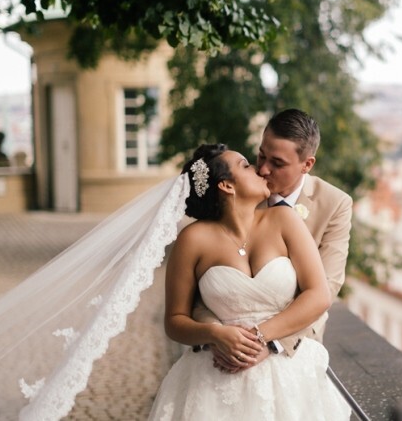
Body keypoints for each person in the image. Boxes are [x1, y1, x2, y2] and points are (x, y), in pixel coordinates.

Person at [147, 143, 351, 419]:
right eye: (245, 165)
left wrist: (261, 337)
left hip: (288, 371)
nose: (259, 169)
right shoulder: (192, 240)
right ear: (227, 186)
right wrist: (215, 334)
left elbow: (319, 294)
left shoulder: (284, 219)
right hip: (215, 373)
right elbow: (175, 319)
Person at [194, 108, 353, 370]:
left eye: (277, 163)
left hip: (293, 350)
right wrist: (219, 336)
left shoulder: (335, 204)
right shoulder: (240, 194)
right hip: (223, 353)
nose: (264, 169)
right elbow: (202, 284)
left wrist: (268, 343)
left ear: (307, 164)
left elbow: (327, 286)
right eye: (261, 155)